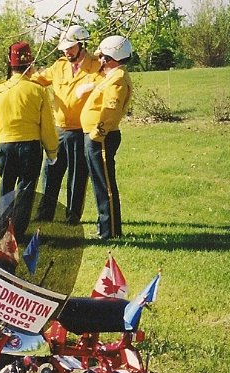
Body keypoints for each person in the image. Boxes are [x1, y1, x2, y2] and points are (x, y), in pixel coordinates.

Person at [0, 41, 59, 239]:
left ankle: (1, 229)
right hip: (30, 147)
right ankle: (18, 232)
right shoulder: (38, 90)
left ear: (10, 63)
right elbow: (47, 126)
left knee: (6, 188)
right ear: (30, 64)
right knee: (25, 190)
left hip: (6, 146)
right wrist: (52, 151)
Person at [32, 25, 101, 225]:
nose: (66, 51)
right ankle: (45, 213)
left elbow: (111, 81)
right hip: (58, 130)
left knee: (77, 176)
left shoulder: (95, 66)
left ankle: (72, 216)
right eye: (64, 48)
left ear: (82, 45)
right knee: (50, 172)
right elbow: (38, 80)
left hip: (81, 131)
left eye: (71, 48)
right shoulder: (59, 66)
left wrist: (92, 86)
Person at [80, 35, 133, 240]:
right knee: (100, 184)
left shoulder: (117, 79)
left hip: (102, 137)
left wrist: (96, 135)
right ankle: (106, 227)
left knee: (105, 185)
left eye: (102, 56)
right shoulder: (111, 77)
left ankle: (110, 231)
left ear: (111, 57)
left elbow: (110, 111)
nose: (99, 60)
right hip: (97, 136)